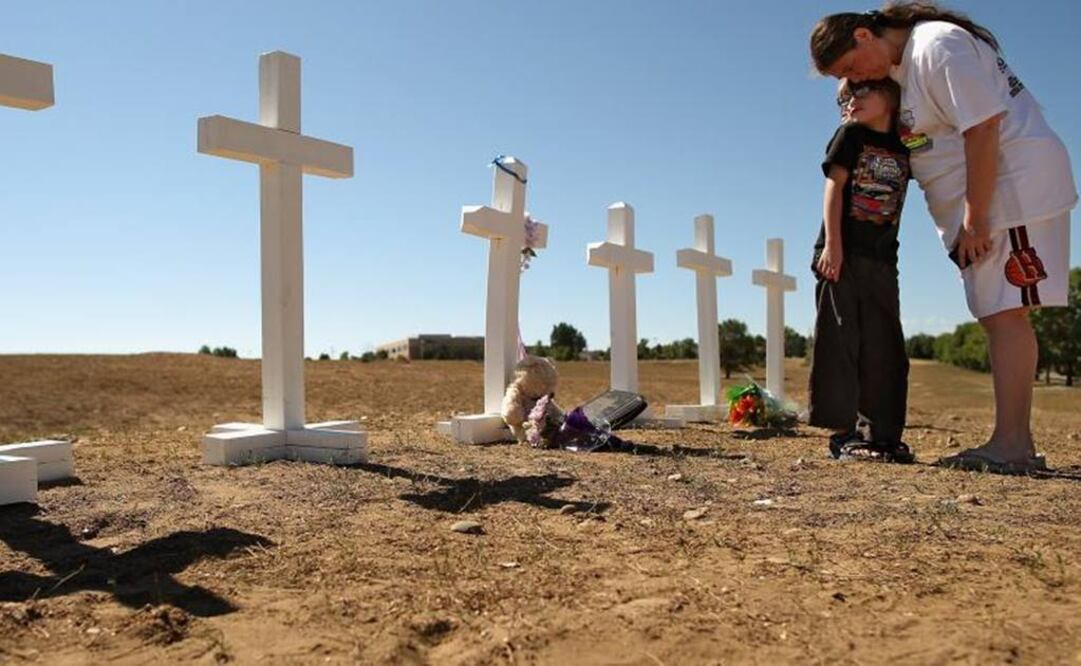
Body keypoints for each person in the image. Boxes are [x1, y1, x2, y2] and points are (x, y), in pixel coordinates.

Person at [810, 2, 1077, 474]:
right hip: (986, 204)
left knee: (1007, 312)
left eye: (852, 68)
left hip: (1010, 194)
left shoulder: (936, 46)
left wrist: (975, 219)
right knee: (997, 312)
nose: (855, 80)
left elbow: (983, 126)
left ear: (864, 36)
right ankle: (1010, 439)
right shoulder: (910, 64)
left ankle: (1013, 443)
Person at [809, 77, 913, 463]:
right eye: (844, 99)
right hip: (840, 255)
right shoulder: (849, 137)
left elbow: (939, 160)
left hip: (883, 259)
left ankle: (882, 434)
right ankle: (845, 432)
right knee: (841, 342)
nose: (851, 102)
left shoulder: (906, 143)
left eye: (860, 91)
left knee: (885, 347)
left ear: (890, 92)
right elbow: (834, 189)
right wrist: (834, 247)